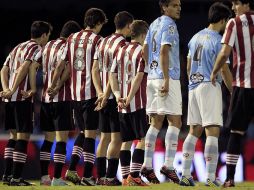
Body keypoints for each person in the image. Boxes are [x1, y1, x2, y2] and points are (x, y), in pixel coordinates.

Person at [48, 8, 107, 186]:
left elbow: (61, 64)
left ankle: (72, 170)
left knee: (82, 133)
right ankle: (88, 176)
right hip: (91, 93)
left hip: (74, 95)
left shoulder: (71, 38)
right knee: (90, 136)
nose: (101, 29)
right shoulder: (98, 40)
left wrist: (54, 83)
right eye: (101, 25)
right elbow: (98, 68)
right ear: (97, 23)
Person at [180, 2, 232, 187]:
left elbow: (187, 65)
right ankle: (210, 177)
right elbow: (224, 70)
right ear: (223, 19)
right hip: (209, 86)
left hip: (193, 86)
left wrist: (192, 82)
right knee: (213, 132)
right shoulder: (219, 41)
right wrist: (233, 91)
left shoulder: (194, 38)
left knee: (194, 131)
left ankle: (185, 175)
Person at [26, 21, 81, 186]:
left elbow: (33, 66)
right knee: (61, 140)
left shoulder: (48, 45)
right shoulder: (68, 46)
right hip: (61, 99)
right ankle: (57, 178)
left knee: (48, 140)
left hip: (45, 100)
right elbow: (64, 67)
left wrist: (35, 88)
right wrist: (56, 85)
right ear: (72, 36)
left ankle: (44, 177)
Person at [0, 21, 52, 186]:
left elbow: (3, 70)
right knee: (23, 137)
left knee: (13, 137)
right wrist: (15, 88)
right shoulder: (36, 48)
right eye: (48, 36)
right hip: (22, 97)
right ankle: (16, 179)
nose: (47, 40)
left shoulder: (17, 47)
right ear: (43, 35)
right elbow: (25, 67)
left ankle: (7, 176)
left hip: (10, 99)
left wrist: (7, 89)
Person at [210, 0, 254, 188]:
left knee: (236, 133)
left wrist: (214, 71)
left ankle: (229, 179)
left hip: (243, 86)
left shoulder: (234, 23)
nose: (234, 8)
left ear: (247, 4)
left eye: (236, 3)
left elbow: (224, 52)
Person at [140, 0, 182, 184]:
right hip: (168, 77)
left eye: (179, 5)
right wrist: (165, 77)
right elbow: (164, 50)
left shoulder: (154, 24)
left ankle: (147, 165)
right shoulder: (169, 25)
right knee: (175, 121)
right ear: (165, 7)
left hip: (152, 77)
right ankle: (168, 165)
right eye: (174, 5)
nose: (179, 8)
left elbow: (144, 50)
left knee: (156, 121)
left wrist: (152, 69)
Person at [92, 11, 134, 186]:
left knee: (104, 138)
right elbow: (112, 73)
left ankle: (100, 177)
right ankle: (110, 177)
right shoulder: (122, 44)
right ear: (128, 25)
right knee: (117, 139)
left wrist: (99, 92)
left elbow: (95, 69)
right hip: (113, 97)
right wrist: (106, 94)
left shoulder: (103, 41)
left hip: (102, 95)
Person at [110, 20, 149, 186]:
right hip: (137, 102)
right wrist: (130, 98)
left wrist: (119, 95)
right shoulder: (142, 51)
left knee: (126, 141)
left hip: (122, 104)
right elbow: (139, 77)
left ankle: (126, 178)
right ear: (142, 34)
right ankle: (134, 175)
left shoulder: (121, 50)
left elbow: (112, 75)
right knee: (143, 139)